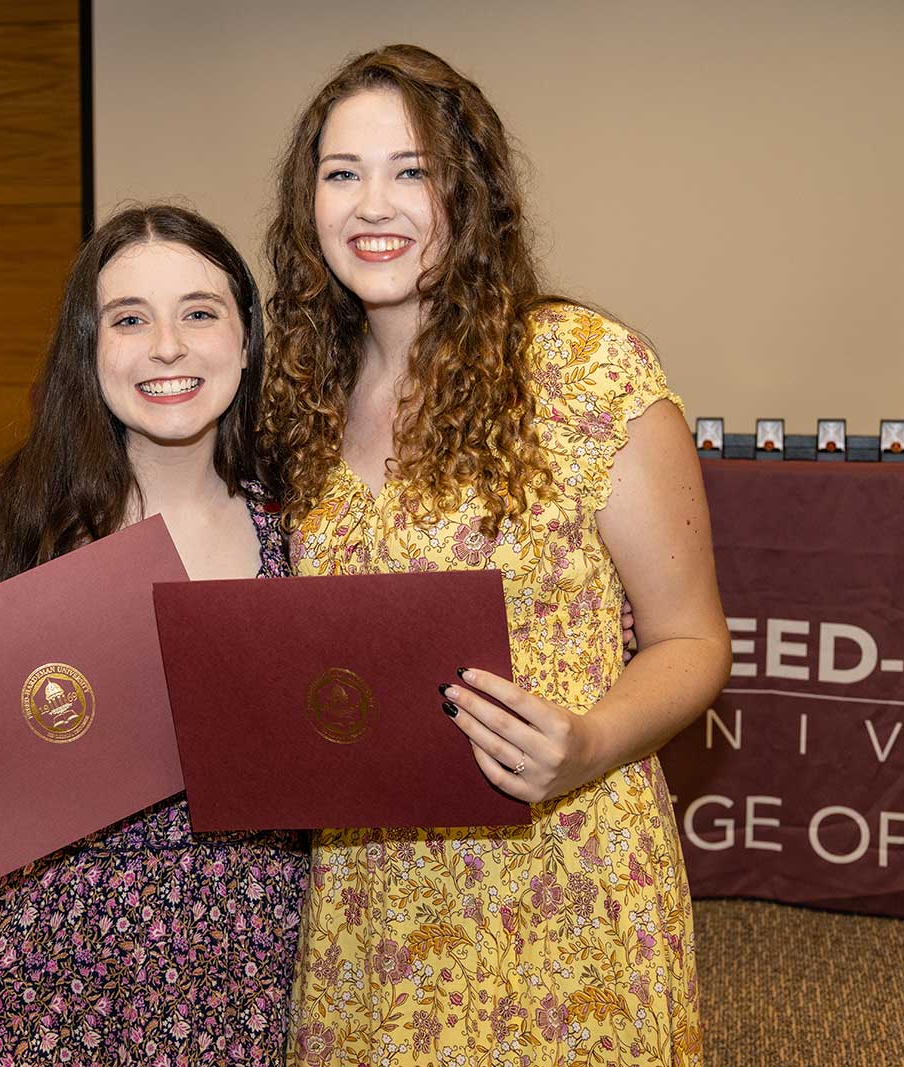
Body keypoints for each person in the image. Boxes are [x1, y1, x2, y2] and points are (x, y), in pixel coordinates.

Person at [260, 46, 731, 1065]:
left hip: (566, 878)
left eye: (410, 169)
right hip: (369, 901)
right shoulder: (296, 399)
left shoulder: (581, 368)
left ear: (466, 191)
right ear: (308, 204)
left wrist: (592, 741)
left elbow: (692, 639)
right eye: (341, 172)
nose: (371, 203)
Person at [0, 205, 307, 1065]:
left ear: (246, 342)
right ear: (88, 349)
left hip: (243, 969)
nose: (167, 345)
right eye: (129, 318)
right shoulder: (5, 525)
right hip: (30, 968)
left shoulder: (308, 529)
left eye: (200, 311)